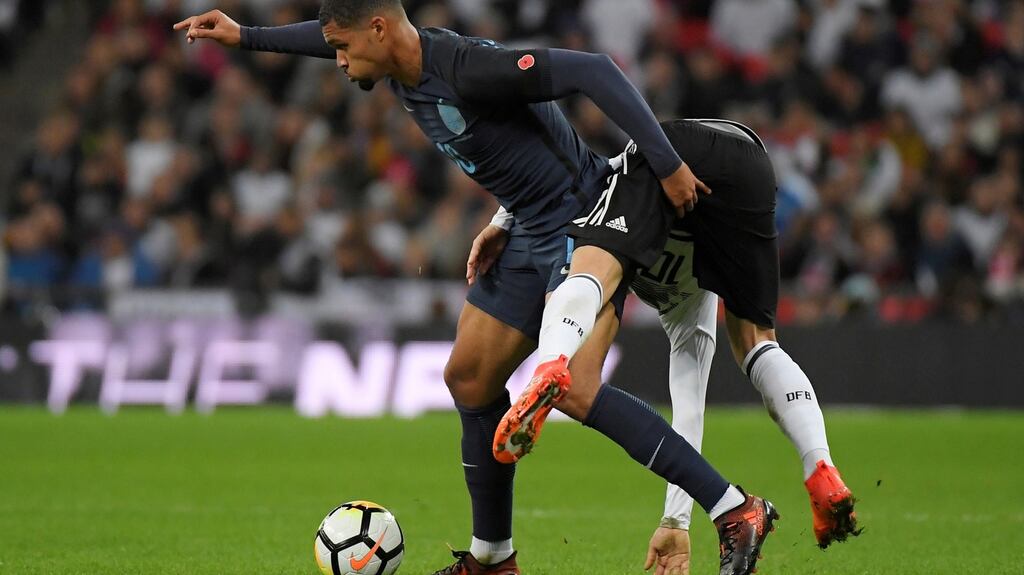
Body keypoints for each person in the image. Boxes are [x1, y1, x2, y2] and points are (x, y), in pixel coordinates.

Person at [174, 3, 778, 574]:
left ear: (380, 31)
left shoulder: (469, 68)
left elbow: (593, 71)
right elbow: (328, 30)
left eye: (343, 48)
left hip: (584, 223)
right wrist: (246, 34)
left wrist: (667, 164)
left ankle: (734, 509)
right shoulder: (392, 63)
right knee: (468, 376)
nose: (336, 60)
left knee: (575, 387)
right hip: (526, 227)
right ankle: (492, 556)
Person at [493, 119, 859, 574]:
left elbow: (579, 171)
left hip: (671, 146)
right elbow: (688, 412)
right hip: (751, 167)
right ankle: (820, 464)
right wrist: (675, 521)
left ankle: (551, 363)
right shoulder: (695, 305)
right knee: (757, 344)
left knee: (593, 270)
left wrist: (502, 217)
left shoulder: (629, 239)